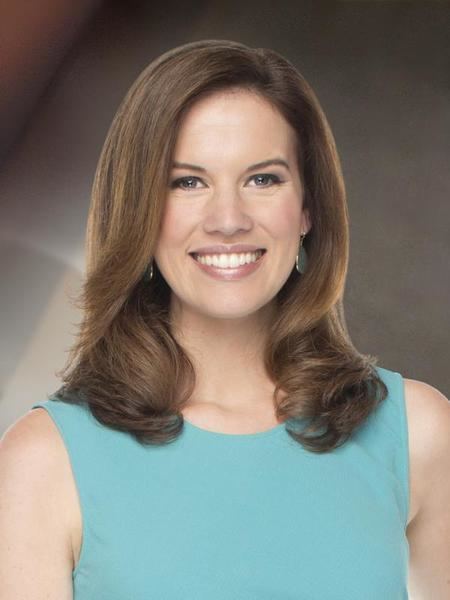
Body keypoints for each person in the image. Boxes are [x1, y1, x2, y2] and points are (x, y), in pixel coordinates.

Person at [1, 39, 449, 599]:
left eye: (263, 179)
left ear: (308, 206)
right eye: (187, 181)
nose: (229, 219)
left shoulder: (418, 434)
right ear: (139, 208)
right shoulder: (43, 460)